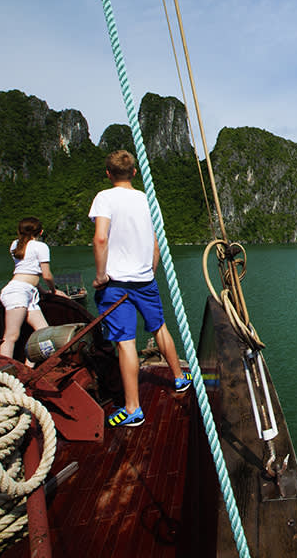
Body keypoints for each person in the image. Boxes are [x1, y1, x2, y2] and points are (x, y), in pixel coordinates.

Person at [90, 149, 191, 428]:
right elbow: (156, 244)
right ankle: (180, 378)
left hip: (116, 284)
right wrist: (150, 270)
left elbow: (100, 239)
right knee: (160, 327)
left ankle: (133, 408)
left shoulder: (104, 197)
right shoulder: (148, 201)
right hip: (145, 279)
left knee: (126, 342)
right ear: (134, 172)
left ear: (108, 174)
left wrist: (100, 276)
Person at [0, 217, 65, 359]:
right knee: (11, 336)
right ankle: (2, 373)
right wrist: (54, 291)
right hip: (18, 292)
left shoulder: (15, 245)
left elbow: (28, 272)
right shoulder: (40, 247)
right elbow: (46, 275)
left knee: (44, 333)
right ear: (41, 232)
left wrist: (41, 291)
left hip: (28, 292)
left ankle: (29, 369)